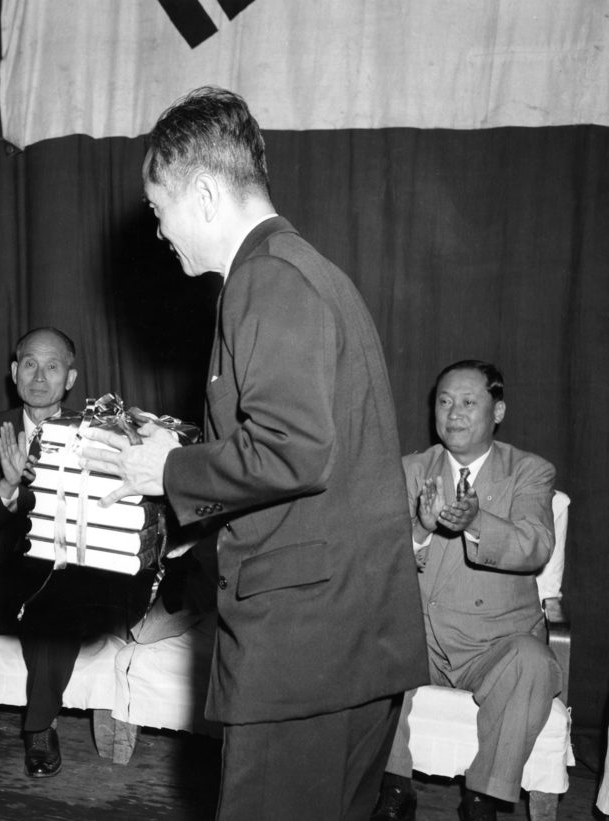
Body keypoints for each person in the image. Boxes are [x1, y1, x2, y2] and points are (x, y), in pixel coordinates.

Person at [79, 86, 429, 820]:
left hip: (303, 651)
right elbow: (304, 452)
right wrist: (185, 479)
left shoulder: (266, 278)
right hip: (345, 644)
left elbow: (293, 449)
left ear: (205, 194)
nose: (159, 231)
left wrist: (166, 470)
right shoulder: (304, 270)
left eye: (159, 210)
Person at [0, 327, 152, 778]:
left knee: (53, 609)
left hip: (66, 580)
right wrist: (5, 489)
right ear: (14, 372)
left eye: (52, 366)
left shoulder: (98, 436)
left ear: (70, 379)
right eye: (29, 365)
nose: (39, 377)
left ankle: (41, 729)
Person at [371, 361, 561, 821]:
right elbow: (375, 559)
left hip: (494, 644)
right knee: (372, 642)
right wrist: (420, 528)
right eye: (444, 402)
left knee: (534, 662)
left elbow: (535, 546)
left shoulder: (529, 471)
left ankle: (483, 799)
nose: (453, 413)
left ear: (498, 412)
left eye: (468, 402)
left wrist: (475, 521)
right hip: (421, 639)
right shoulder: (409, 470)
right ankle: (394, 788)